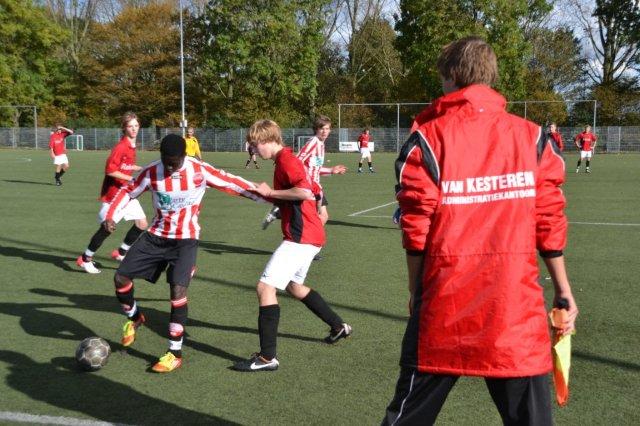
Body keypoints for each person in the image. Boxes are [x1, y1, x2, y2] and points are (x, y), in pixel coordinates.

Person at [382, 36, 578, 425]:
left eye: (442, 77)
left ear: (453, 75)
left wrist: (415, 290)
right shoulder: (533, 137)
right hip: (513, 308)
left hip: (444, 303)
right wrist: (563, 290)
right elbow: (549, 220)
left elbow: (416, 227)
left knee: (405, 418)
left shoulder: (429, 137)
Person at [104, 134, 268, 373]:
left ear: (184, 156)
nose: (170, 168)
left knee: (177, 291)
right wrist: (111, 215)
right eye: (166, 162)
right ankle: (135, 317)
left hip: (185, 240)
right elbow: (127, 191)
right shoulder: (151, 172)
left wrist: (272, 198)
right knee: (120, 277)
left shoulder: (199, 170)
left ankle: (174, 353)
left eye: (174, 163)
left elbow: (234, 183)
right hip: (156, 236)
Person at [232, 119, 351, 372]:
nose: (254, 150)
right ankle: (338, 326)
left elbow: (305, 192)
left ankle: (267, 358)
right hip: (310, 235)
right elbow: (309, 191)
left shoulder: (287, 161)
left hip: (301, 237)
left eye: (255, 145)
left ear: (266, 140)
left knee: (265, 288)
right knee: (294, 287)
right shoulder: (284, 160)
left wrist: (271, 193)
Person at [76, 112, 148, 274]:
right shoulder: (121, 147)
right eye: (130, 126)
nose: (134, 129)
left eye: (136, 125)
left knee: (142, 224)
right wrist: (131, 178)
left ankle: (120, 253)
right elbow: (110, 170)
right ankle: (85, 259)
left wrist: (139, 168)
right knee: (107, 228)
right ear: (124, 128)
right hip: (115, 194)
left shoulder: (132, 145)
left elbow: (125, 165)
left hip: (127, 193)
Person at [262, 115, 346, 230]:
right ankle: (306, 236)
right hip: (309, 186)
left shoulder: (321, 144)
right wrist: (303, 179)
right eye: (322, 128)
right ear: (316, 129)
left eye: (327, 128)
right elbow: (298, 161)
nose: (324, 131)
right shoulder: (313, 143)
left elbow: (314, 168)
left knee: (320, 216)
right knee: (320, 216)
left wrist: (331, 170)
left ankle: (280, 211)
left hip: (315, 186)